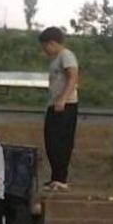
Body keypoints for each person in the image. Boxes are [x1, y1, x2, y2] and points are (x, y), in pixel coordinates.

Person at [39, 26, 80, 192]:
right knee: (51, 141)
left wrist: (63, 98)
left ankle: (61, 178)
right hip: (54, 105)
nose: (44, 50)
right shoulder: (55, 60)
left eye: (45, 46)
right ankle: (56, 177)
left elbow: (73, 77)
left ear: (52, 43)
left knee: (61, 142)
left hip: (66, 104)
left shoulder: (66, 55)